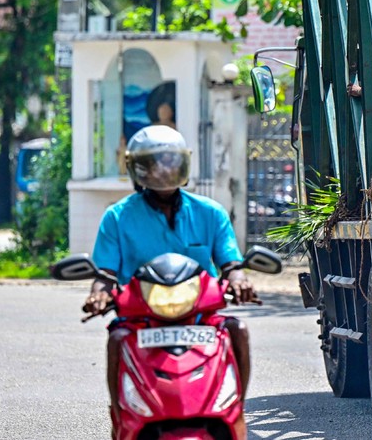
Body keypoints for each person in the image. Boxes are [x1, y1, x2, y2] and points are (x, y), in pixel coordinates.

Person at [82, 125, 258, 422]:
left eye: (170, 161)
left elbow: (230, 265)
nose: (163, 170)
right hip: (140, 316)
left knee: (237, 330)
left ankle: (234, 412)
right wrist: (98, 294)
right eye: (154, 163)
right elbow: (106, 273)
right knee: (117, 339)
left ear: (183, 163)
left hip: (199, 315)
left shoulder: (211, 212)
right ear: (137, 168)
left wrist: (240, 281)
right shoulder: (117, 216)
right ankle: (121, 416)